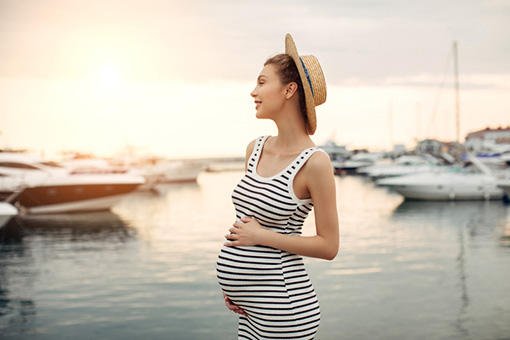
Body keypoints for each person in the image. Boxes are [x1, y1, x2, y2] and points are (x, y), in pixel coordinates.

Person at [216, 33, 339, 340]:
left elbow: (328, 246)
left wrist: (261, 236)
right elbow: (245, 226)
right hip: (249, 309)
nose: (253, 91)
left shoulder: (315, 163)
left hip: (284, 309)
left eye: (261, 82)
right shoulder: (254, 148)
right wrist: (240, 289)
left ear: (289, 89)